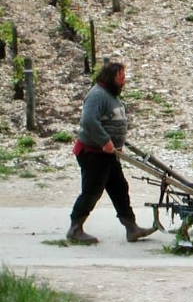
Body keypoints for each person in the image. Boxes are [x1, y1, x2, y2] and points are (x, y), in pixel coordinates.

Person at [66, 61, 157, 243]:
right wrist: (105, 141)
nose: (123, 82)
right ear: (110, 78)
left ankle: (131, 228)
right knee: (92, 191)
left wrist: (117, 142)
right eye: (120, 78)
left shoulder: (110, 95)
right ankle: (75, 229)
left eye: (124, 78)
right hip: (93, 153)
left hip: (109, 154)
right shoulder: (97, 95)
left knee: (119, 189)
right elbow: (89, 121)